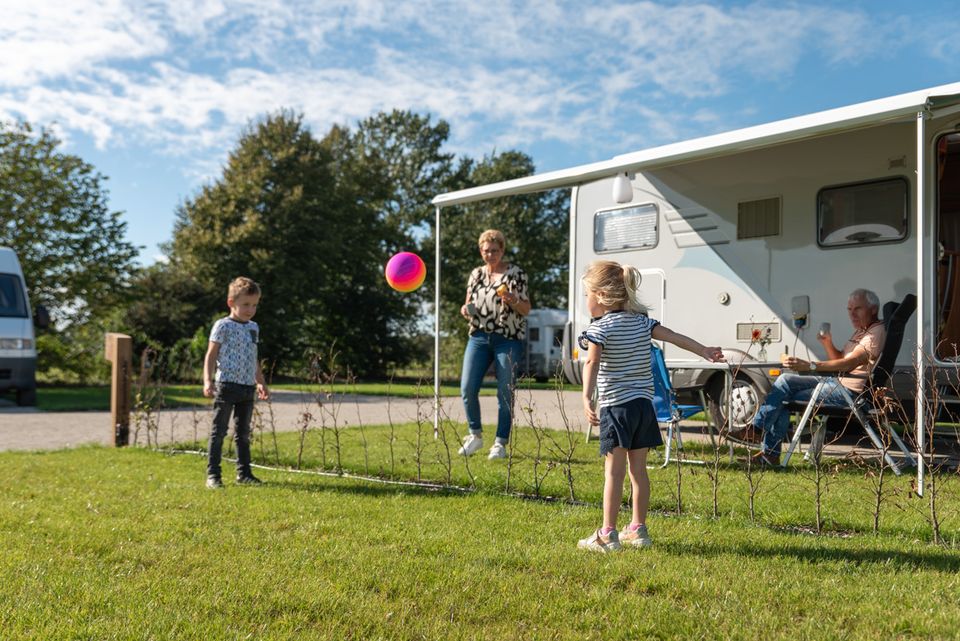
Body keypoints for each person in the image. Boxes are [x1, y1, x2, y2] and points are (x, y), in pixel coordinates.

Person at [577, 260, 724, 552]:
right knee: (639, 471)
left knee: (613, 473)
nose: (586, 301)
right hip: (644, 408)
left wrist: (586, 396)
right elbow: (675, 338)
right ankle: (638, 529)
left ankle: (607, 534)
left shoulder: (599, 328)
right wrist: (704, 350)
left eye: (587, 295)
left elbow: (591, 361)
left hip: (616, 408)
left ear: (601, 296)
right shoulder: (643, 323)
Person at [748, 288, 886, 466]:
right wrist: (827, 342)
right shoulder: (861, 331)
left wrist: (811, 366)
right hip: (836, 381)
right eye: (849, 309)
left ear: (873, 309)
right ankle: (759, 433)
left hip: (848, 392)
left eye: (857, 309)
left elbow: (850, 364)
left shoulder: (875, 333)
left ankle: (765, 445)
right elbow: (839, 360)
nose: (852, 314)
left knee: (782, 396)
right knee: (785, 380)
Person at [456, 229, 531, 460]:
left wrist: (513, 299)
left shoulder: (516, 274)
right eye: (487, 251)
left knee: (504, 392)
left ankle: (500, 443)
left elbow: (526, 309)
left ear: (502, 250)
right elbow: (467, 304)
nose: (491, 255)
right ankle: (475, 435)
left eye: (495, 251)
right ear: (481, 251)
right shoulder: (476, 274)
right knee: (467, 388)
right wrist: (465, 310)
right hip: (479, 337)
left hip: (507, 339)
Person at [202, 276, 270, 489]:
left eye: (254, 305)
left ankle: (244, 474)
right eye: (246, 304)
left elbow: (253, 356)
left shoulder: (254, 327)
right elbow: (211, 355)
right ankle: (213, 475)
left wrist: (260, 381)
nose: (251, 309)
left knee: (243, 434)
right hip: (226, 386)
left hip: (247, 388)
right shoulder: (222, 326)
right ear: (231, 303)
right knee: (219, 432)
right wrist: (207, 380)